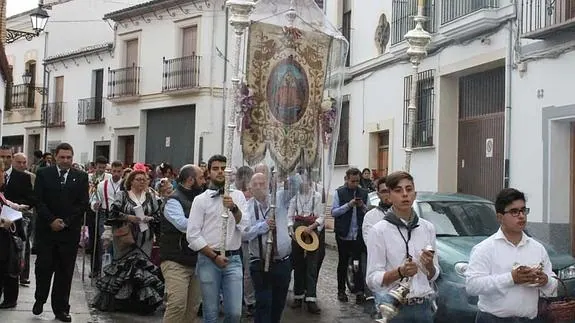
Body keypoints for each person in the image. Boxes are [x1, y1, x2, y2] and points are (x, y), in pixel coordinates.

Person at [466, 188, 557, 323]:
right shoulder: (484, 248)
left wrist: (545, 281)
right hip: (493, 319)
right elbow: (472, 286)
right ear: (500, 217)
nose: (521, 216)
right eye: (514, 212)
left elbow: (553, 286)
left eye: (523, 210)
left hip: (530, 319)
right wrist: (511, 278)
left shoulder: (537, 248)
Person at [366, 171, 439, 322]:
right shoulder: (379, 231)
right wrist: (399, 272)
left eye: (409, 189)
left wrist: (430, 266)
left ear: (415, 193)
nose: (405, 194)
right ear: (390, 196)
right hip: (394, 308)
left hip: (423, 308)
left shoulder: (428, 228)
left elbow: (434, 275)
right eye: (398, 191)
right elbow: (372, 279)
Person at [187, 154, 249, 323]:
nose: (220, 172)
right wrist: (213, 256)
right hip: (209, 259)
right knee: (211, 312)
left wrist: (234, 209)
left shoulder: (239, 196)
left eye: (223, 168)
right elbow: (192, 235)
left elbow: (245, 227)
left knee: (235, 312)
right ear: (209, 173)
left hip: (233, 259)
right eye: (216, 169)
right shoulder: (200, 200)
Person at [93, 169, 164, 314]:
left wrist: (150, 219)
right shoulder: (122, 195)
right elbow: (112, 213)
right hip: (125, 237)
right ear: (131, 181)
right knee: (123, 267)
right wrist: (129, 218)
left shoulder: (150, 197)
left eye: (144, 180)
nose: (141, 182)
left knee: (141, 268)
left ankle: (139, 303)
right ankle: (119, 302)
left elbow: (158, 215)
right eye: (138, 179)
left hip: (145, 237)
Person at [33, 143, 89, 322]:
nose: (66, 161)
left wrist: (66, 222)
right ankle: (40, 298)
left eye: (69, 157)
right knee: (43, 268)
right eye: (62, 157)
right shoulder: (43, 174)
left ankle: (61, 308)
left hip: (68, 233)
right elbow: (38, 200)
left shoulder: (81, 177)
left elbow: (82, 204)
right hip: (46, 231)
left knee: (65, 272)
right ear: (55, 157)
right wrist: (51, 220)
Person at [243, 172, 292, 322]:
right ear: (250, 188)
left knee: (278, 303)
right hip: (259, 262)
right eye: (255, 184)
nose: (259, 187)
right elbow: (243, 235)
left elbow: (295, 186)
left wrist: (287, 172)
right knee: (264, 302)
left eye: (262, 183)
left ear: (269, 185)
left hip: (282, 261)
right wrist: (262, 226)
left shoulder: (280, 199)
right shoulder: (246, 208)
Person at [160, 164, 205, 323]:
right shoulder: (174, 200)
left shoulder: (201, 198)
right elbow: (182, 224)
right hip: (175, 259)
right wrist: (205, 223)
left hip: (196, 259)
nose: (204, 180)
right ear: (190, 180)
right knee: (177, 303)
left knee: (192, 306)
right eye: (201, 177)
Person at [287, 173, 324, 314]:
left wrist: (313, 227)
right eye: (300, 182)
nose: (303, 184)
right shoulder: (294, 197)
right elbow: (289, 216)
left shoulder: (317, 196)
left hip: (312, 230)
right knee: (298, 264)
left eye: (305, 181)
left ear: (310, 182)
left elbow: (321, 216)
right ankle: (298, 296)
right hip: (298, 231)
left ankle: (311, 299)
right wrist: (291, 229)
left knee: (311, 266)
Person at [331, 167, 368, 303]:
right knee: (343, 263)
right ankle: (341, 291)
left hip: (358, 235)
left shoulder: (364, 193)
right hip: (343, 234)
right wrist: (348, 205)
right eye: (353, 181)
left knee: (358, 263)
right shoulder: (339, 192)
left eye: (357, 181)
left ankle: (359, 291)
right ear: (347, 179)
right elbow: (334, 212)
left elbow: (368, 213)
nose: (355, 184)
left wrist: (362, 205)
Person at [0, 158, 31, 309]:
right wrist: (3, 222)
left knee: (9, 266)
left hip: (7, 235)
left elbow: (7, 203)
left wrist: (19, 207)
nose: (3, 175)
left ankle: (10, 299)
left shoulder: (1, 192)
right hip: (4, 232)